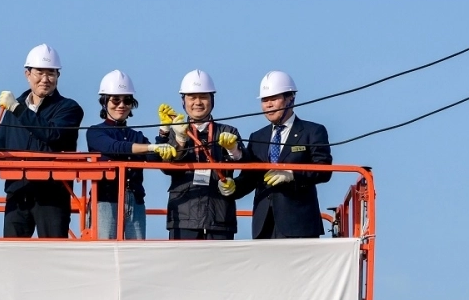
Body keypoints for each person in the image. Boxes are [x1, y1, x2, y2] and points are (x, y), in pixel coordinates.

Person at [0, 44, 85, 238]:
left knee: (52, 257)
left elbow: (52, 134)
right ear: (27, 74)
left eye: (51, 73)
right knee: (12, 256)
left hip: (52, 195)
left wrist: (17, 109)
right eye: (39, 73)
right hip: (18, 193)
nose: (45, 79)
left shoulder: (69, 108)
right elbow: (0, 146)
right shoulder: (13, 109)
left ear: (58, 76)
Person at [233, 70, 332, 238]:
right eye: (265, 100)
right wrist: (232, 187)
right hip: (264, 226)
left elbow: (323, 170)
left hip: (299, 224)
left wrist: (292, 175)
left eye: (274, 99)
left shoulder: (312, 131)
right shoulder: (257, 137)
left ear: (290, 98)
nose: (268, 105)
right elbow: (249, 178)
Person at [85, 70, 177, 239]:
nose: (121, 105)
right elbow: (115, 147)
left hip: (135, 201)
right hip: (105, 200)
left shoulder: (137, 136)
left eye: (127, 100)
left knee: (136, 254)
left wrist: (164, 133)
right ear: (104, 102)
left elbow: (155, 158)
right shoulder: (95, 132)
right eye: (115, 99)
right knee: (104, 252)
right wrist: (151, 147)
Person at [157, 70, 244, 240]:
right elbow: (166, 167)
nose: (198, 102)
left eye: (203, 97)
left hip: (220, 216)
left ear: (212, 100)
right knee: (183, 266)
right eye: (192, 97)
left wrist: (233, 149)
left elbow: (243, 161)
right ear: (183, 102)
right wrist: (180, 140)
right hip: (183, 216)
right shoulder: (174, 132)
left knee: (222, 266)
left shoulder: (228, 131)